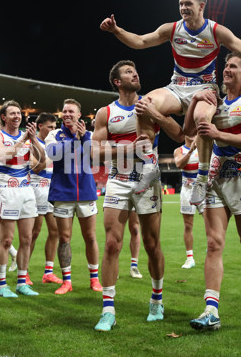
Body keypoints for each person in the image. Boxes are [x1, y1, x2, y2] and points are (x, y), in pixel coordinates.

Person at [100, 0, 241, 198]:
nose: (183, 7)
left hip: (205, 88)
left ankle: (202, 177)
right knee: (144, 104)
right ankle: (148, 167)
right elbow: (141, 41)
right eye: (181, 4)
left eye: (188, 3)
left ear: (201, 6)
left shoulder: (216, 31)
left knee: (202, 119)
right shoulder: (172, 29)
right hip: (177, 86)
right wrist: (116, 30)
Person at [91, 60, 183, 331]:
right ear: (117, 81)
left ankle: (156, 299)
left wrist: (158, 116)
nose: (136, 74)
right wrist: (130, 149)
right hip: (118, 180)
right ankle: (108, 309)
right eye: (129, 72)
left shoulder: (151, 103)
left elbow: (179, 135)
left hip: (148, 180)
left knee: (152, 245)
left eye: (136, 71)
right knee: (111, 244)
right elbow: (94, 152)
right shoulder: (106, 112)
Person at [184, 52, 241, 330]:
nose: (226, 70)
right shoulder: (214, 101)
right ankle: (211, 310)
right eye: (226, 66)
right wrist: (195, 100)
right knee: (213, 243)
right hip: (214, 178)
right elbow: (187, 130)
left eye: (233, 66)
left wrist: (220, 135)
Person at [44, 99, 102, 295]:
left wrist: (84, 137)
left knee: (90, 236)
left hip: (85, 192)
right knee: (64, 238)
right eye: (65, 111)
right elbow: (53, 154)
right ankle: (66, 281)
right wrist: (74, 140)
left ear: (79, 115)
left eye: (71, 112)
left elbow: (95, 155)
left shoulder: (90, 135)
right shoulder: (54, 134)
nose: (67, 114)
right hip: (62, 193)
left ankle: (94, 279)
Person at [0, 100, 45, 297]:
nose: (17, 116)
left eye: (19, 113)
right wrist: (22, 140)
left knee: (27, 239)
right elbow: (1, 155)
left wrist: (35, 141)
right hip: (7, 190)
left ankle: (22, 282)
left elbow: (40, 164)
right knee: (6, 240)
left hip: (26, 190)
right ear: (3, 117)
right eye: (12, 113)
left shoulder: (28, 139)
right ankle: (1, 285)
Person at [27, 112, 63, 285]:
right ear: (40, 126)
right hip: (36, 187)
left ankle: (48, 272)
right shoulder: (31, 143)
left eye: (55, 128)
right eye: (50, 127)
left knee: (55, 231)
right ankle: (24, 272)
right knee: (34, 232)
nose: (53, 130)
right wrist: (52, 153)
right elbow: (36, 167)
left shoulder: (53, 143)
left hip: (51, 187)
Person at [173, 135, 204, 269]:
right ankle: (190, 258)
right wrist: (191, 151)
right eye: (189, 132)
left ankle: (213, 249)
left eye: (194, 132)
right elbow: (179, 164)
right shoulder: (179, 150)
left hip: (203, 188)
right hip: (187, 190)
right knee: (188, 225)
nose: (192, 135)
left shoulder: (204, 147)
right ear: (185, 134)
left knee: (211, 221)